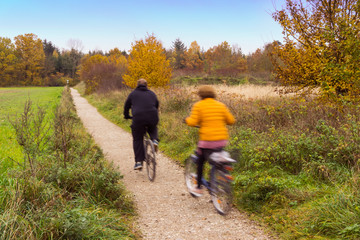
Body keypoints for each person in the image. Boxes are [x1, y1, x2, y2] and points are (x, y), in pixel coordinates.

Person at [185, 85, 235, 196]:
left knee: (200, 161)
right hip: (221, 140)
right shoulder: (221, 105)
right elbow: (231, 120)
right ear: (213, 94)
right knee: (217, 160)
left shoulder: (198, 105)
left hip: (207, 141)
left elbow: (193, 122)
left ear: (200, 95)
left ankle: (198, 187)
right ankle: (222, 177)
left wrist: (186, 120)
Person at [124, 78, 159, 170]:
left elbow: (126, 106)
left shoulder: (133, 94)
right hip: (152, 116)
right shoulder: (152, 93)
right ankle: (155, 140)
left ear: (137, 85)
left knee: (138, 139)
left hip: (138, 119)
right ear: (146, 85)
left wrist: (127, 116)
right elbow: (157, 104)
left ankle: (138, 162)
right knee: (153, 127)